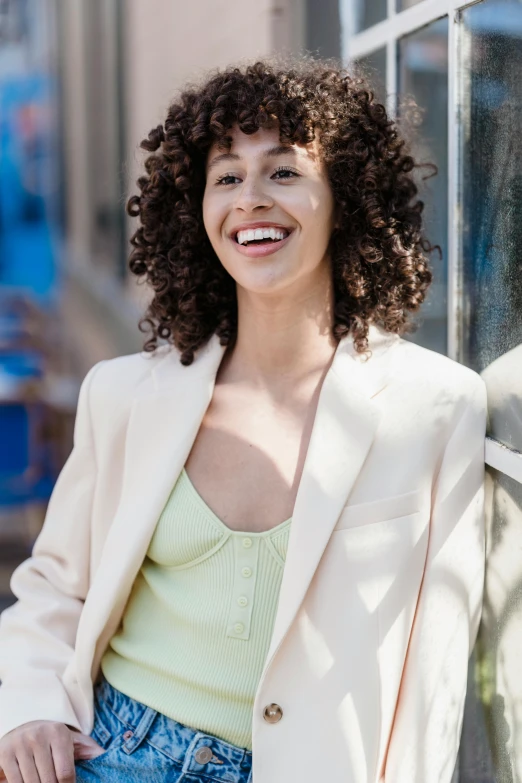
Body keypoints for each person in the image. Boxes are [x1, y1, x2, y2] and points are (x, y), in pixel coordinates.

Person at [0, 56, 487, 783]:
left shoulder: (437, 405)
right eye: (226, 176)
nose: (250, 199)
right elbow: (55, 586)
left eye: (284, 171)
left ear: (346, 197)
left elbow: (434, 665)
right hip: (113, 755)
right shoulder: (124, 394)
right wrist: (30, 707)